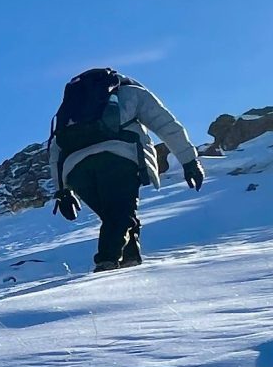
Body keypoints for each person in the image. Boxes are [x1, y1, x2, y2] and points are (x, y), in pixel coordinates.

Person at [45, 68, 205, 271]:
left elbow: (56, 151)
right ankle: (106, 263)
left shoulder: (69, 108)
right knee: (120, 214)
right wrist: (190, 161)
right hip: (120, 158)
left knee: (117, 215)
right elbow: (166, 124)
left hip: (76, 169)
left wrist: (62, 191)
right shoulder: (130, 92)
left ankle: (130, 262)